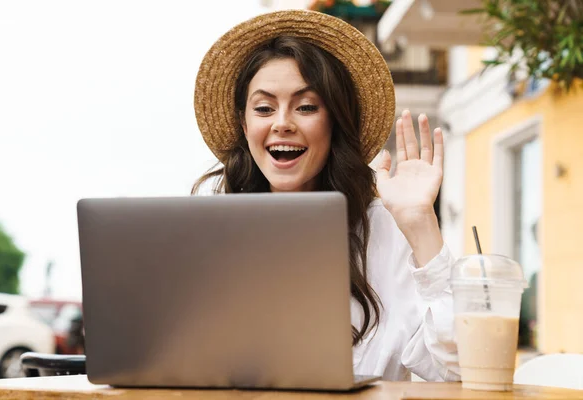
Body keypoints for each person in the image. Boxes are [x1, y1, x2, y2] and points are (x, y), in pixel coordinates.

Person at [192, 10, 460, 382]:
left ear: (334, 121)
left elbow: (457, 371)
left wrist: (419, 224)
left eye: (306, 107)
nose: (282, 122)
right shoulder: (208, 236)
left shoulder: (386, 231)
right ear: (244, 124)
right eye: (264, 108)